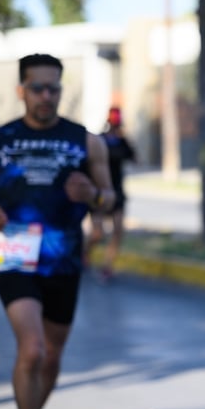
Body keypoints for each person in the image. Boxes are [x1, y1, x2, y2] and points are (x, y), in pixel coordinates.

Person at [0, 53, 115, 409]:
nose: (46, 96)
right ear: (21, 90)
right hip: (15, 254)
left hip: (63, 256)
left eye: (53, 88)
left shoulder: (86, 141)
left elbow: (109, 199)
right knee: (33, 349)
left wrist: (93, 194)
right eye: (37, 88)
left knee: (53, 356)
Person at [84, 106, 136, 281]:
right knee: (97, 233)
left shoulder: (122, 142)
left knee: (118, 230)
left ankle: (107, 266)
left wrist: (126, 140)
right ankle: (85, 254)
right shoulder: (98, 140)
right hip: (99, 191)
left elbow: (135, 158)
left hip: (117, 192)